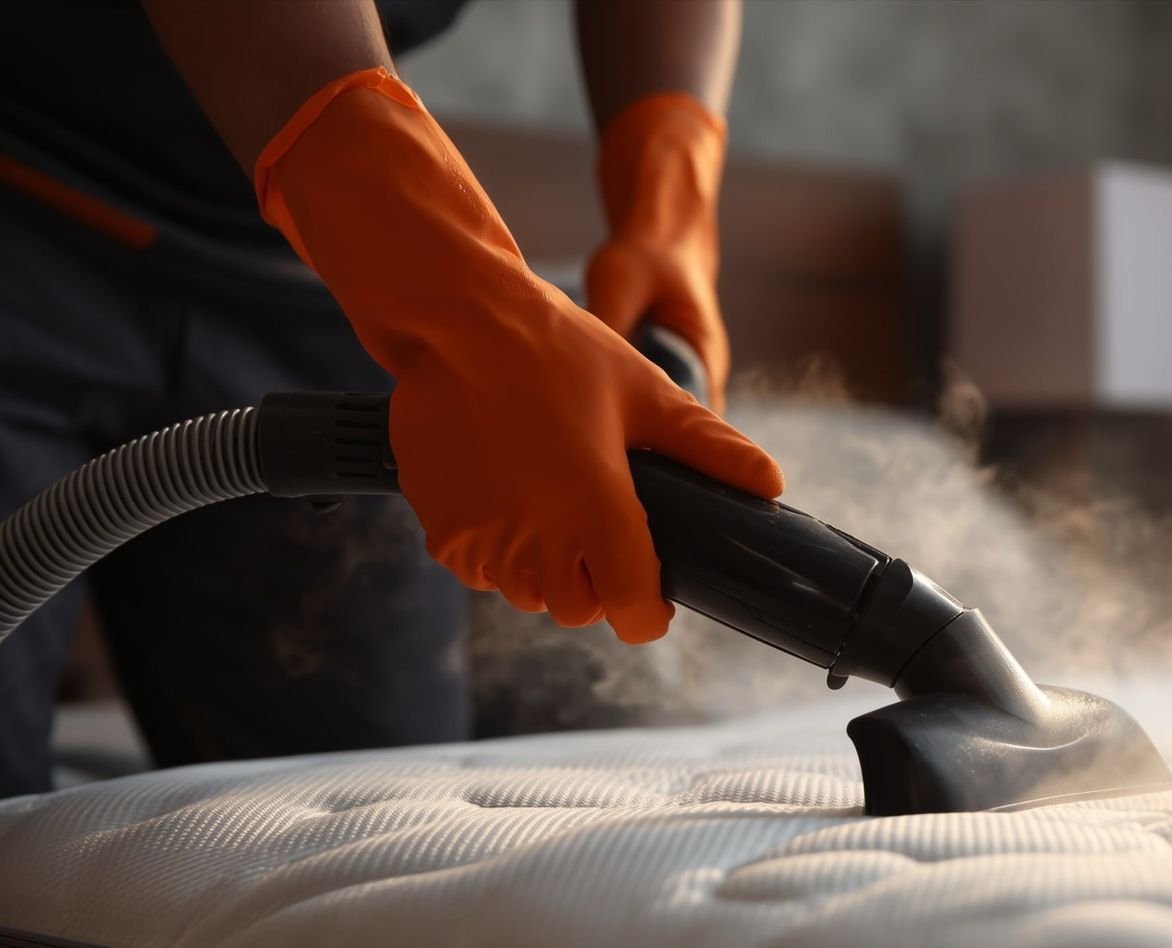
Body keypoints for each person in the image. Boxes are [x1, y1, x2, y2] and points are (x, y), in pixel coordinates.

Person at [0, 0, 782, 795]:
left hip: (316, 258)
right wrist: (476, 312)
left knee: (363, 800)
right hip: (29, 202)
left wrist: (666, 198)